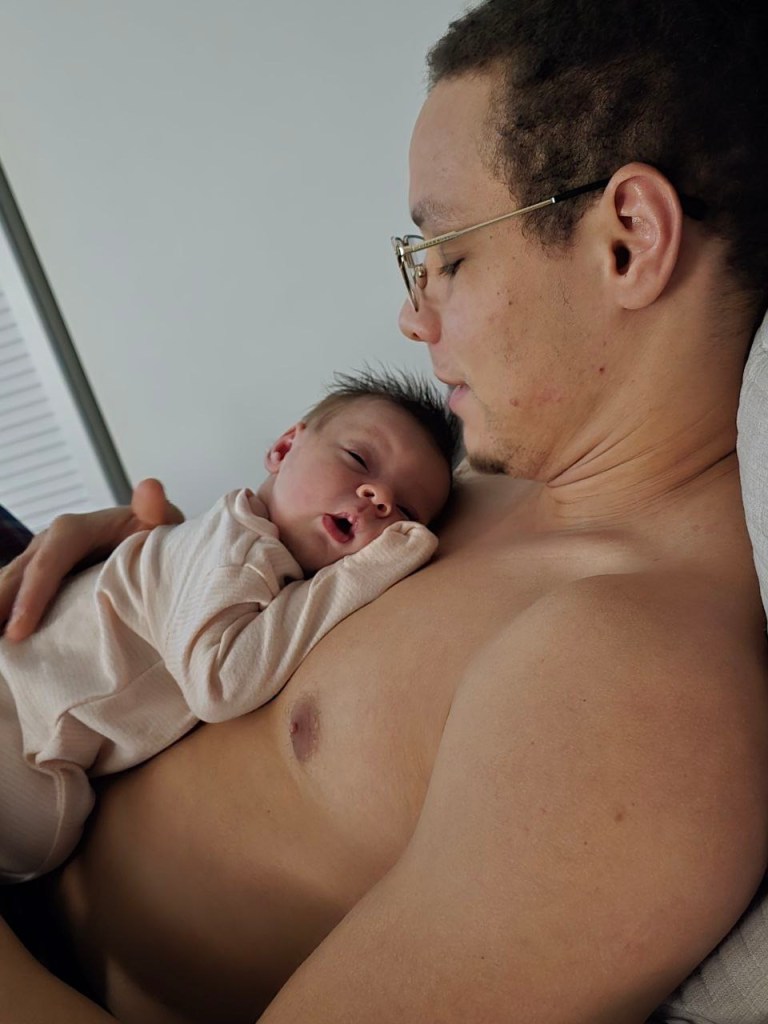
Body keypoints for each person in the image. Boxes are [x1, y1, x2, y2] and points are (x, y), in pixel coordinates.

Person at [1, 0, 768, 1021]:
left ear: (628, 241)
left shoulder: (641, 700)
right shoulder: (496, 477)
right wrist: (145, 559)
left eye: (448, 253)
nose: (413, 316)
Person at [0, 368, 457, 883]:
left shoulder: (238, 546)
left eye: (405, 512)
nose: (378, 496)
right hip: (18, 724)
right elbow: (218, 685)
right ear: (284, 449)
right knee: (42, 841)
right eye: (357, 459)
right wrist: (367, 569)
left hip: (32, 716)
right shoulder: (240, 550)